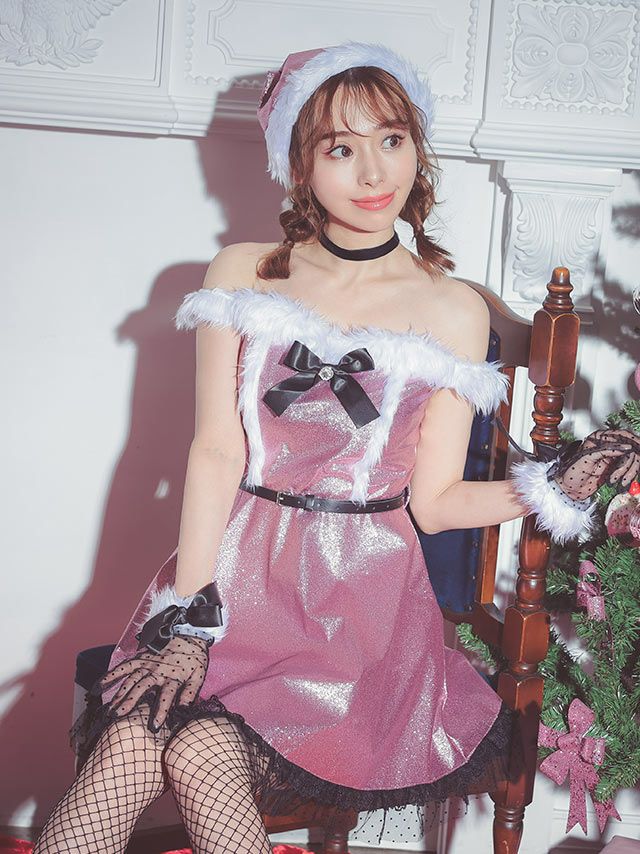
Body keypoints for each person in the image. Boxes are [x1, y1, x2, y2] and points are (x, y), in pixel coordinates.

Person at [34, 41, 640, 854]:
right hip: (230, 582)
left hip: (357, 608)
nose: (373, 172)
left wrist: (557, 482)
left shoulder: (451, 309)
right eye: (340, 149)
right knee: (133, 748)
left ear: (417, 148)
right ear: (300, 164)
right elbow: (216, 453)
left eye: (391, 139)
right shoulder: (242, 272)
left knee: (195, 745)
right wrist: (189, 618)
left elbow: (436, 503)